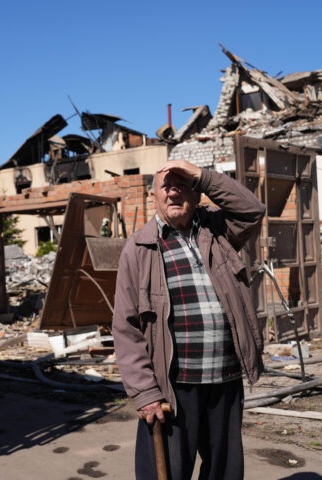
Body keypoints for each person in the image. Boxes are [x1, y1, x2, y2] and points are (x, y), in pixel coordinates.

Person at [112, 159, 266, 480]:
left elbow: (252, 210)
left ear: (196, 194)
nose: (173, 193)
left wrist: (203, 175)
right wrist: (145, 392)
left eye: (182, 185)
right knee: (167, 472)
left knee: (224, 471)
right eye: (165, 187)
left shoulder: (217, 230)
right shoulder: (138, 248)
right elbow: (126, 328)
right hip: (173, 387)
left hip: (224, 378)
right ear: (153, 197)